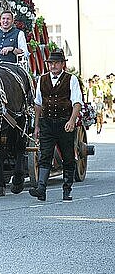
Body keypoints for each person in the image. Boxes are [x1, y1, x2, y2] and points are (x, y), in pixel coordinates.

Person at [29, 49, 82, 201]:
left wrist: (72, 120)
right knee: (44, 155)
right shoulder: (42, 79)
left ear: (62, 64)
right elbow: (38, 104)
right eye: (51, 63)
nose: (53, 66)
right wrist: (37, 126)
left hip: (64, 122)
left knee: (68, 156)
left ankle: (67, 189)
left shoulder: (71, 79)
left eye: (56, 63)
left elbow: (77, 102)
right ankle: (41, 189)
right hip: (47, 123)